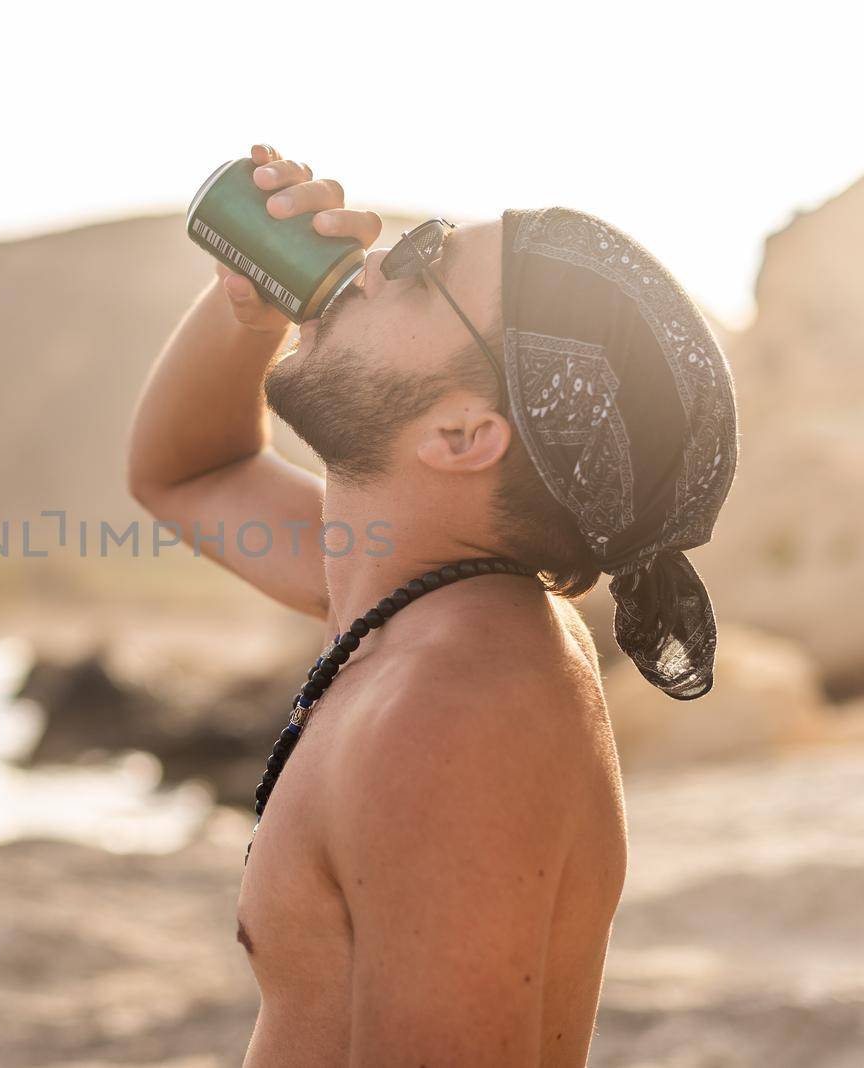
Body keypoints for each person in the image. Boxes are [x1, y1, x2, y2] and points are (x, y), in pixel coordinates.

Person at [126, 143, 738, 1066]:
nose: (374, 260)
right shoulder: (423, 607)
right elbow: (186, 474)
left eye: (424, 265)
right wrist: (245, 309)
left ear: (462, 434)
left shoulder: (458, 707)